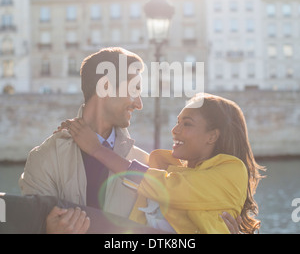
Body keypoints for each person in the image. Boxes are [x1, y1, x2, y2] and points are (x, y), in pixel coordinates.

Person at [63, 93, 264, 234]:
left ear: (212, 136)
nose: (174, 130)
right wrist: (79, 131)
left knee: (50, 209)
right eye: (178, 122)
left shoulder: (233, 171)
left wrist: (97, 149)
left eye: (187, 124)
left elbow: (168, 187)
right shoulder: (169, 167)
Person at [19, 47, 149, 218]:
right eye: (134, 90)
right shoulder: (44, 158)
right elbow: (32, 224)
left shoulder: (144, 162)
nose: (139, 104)